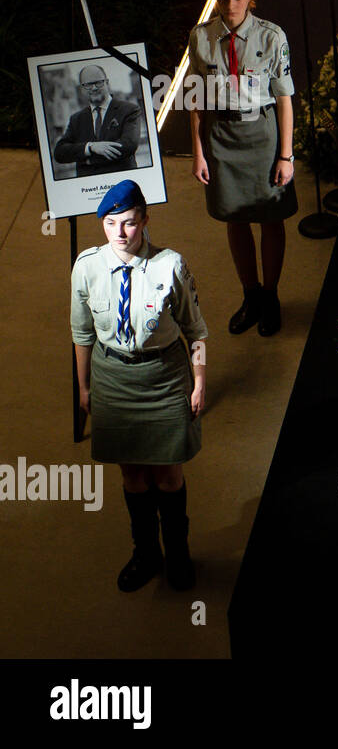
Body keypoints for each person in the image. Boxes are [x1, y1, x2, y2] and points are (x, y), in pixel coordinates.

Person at [70, 180, 208, 592]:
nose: (120, 233)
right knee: (131, 473)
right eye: (111, 223)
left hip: (164, 378)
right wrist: (84, 388)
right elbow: (81, 334)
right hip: (113, 378)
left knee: (167, 474)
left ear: (145, 220)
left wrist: (199, 383)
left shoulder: (171, 265)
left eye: (129, 223)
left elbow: (196, 331)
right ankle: (145, 553)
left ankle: (178, 554)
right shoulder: (86, 266)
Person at [188, 0, 297, 337]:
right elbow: (196, 98)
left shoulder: (271, 36)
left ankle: (270, 296)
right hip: (221, 135)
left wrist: (286, 155)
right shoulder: (201, 37)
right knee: (234, 218)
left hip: (262, 134)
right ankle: (250, 295)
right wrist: (198, 152)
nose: (230, 5)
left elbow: (284, 99)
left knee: (270, 216)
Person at [52, 64, 142, 177]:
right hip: (88, 188)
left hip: (121, 183)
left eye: (98, 82)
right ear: (81, 88)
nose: (94, 88)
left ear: (107, 83)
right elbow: (59, 153)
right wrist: (90, 147)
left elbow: (128, 145)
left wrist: (86, 160)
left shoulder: (129, 110)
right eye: (88, 85)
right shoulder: (76, 119)